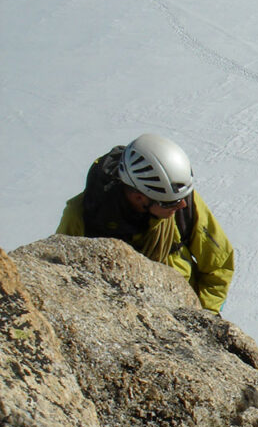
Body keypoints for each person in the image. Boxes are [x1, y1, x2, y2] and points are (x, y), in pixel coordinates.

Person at [58, 134, 234, 314]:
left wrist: (207, 314)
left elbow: (219, 263)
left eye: (182, 198)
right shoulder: (84, 215)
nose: (182, 205)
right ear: (139, 197)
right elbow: (59, 274)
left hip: (182, 314)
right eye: (169, 203)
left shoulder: (178, 198)